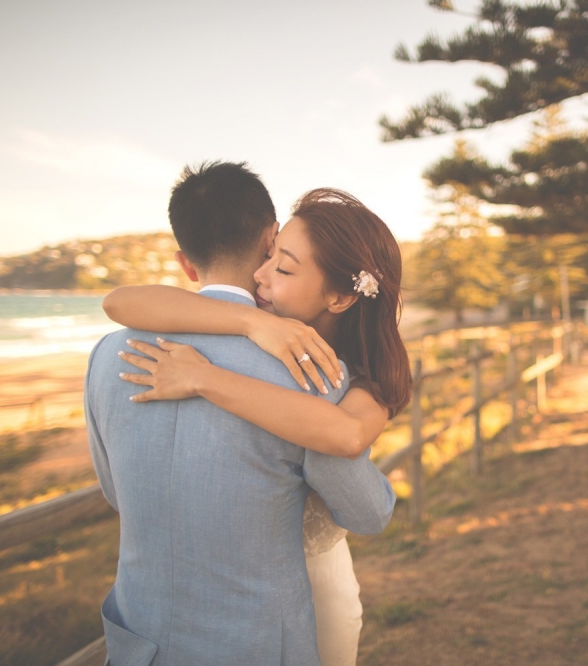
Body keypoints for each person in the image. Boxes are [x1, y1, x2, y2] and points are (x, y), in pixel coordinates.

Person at [85, 161, 397, 666]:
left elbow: (117, 493)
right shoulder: (313, 374)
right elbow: (369, 511)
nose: (266, 273)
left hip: (139, 635)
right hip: (253, 643)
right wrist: (253, 325)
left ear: (186, 263)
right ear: (270, 237)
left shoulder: (106, 356)